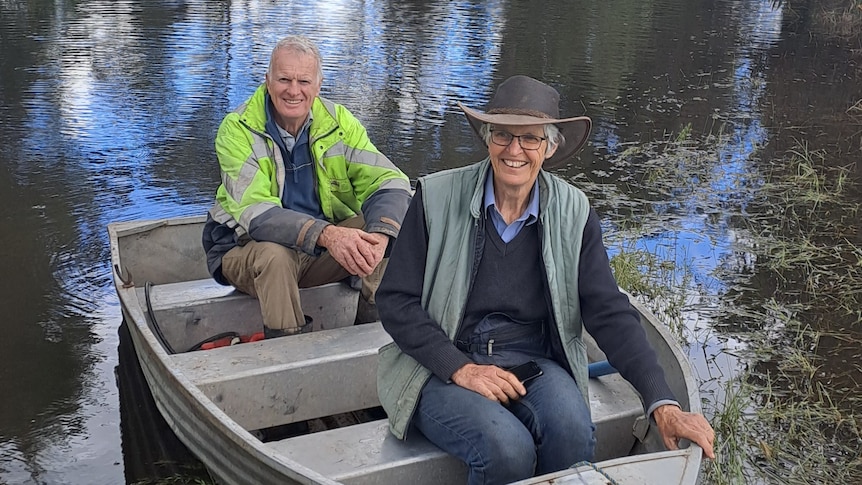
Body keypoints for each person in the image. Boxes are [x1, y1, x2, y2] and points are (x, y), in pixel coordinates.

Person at [375, 75, 715, 485]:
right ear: (487, 138)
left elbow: (608, 311)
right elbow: (395, 301)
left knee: (572, 435)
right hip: (441, 363)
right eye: (503, 134)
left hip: (534, 361)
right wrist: (461, 368)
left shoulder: (574, 212)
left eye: (530, 139)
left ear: (550, 147)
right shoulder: (435, 197)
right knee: (507, 450)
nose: (514, 150)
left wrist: (662, 401)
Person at [202, 35, 411, 338]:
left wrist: (379, 236)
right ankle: (288, 350)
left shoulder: (339, 121)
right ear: (268, 80)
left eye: (304, 81)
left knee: (392, 223)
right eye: (284, 79)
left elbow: (389, 180)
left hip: (316, 251)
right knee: (276, 255)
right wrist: (329, 235)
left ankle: (372, 330)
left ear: (318, 85)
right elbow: (257, 214)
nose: (293, 90)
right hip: (243, 249)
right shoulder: (237, 129)